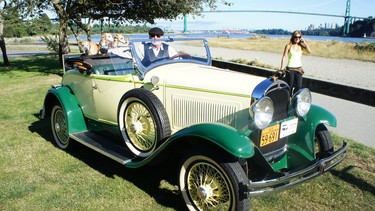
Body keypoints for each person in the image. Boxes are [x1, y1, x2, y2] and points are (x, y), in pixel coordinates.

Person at [280, 30, 311, 95]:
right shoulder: (288, 46)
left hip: (299, 69)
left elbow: (309, 52)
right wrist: (281, 68)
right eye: (296, 37)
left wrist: (304, 43)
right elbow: (284, 56)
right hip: (290, 69)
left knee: (298, 86)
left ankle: (294, 98)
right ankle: (288, 100)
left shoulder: (301, 46)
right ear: (293, 37)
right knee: (290, 87)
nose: (297, 39)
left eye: (299, 37)